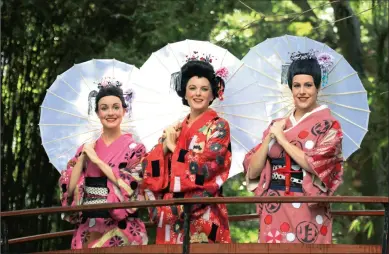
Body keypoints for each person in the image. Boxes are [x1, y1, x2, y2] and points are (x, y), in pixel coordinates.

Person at [243, 51, 343, 244]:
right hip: (275, 206)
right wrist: (270, 138)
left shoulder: (330, 126)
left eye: (308, 85)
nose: (302, 91)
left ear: (318, 87)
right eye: (296, 85)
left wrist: (282, 139)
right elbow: (253, 171)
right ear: (290, 88)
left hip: (308, 208)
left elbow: (315, 165)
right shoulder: (278, 124)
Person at [141, 58, 232, 244]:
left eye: (204, 89)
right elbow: (147, 170)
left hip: (204, 211)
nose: (198, 94)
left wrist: (174, 148)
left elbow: (210, 167)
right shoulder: (176, 129)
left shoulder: (219, 127)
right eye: (192, 88)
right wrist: (164, 147)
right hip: (171, 212)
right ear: (185, 92)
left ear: (212, 94)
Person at [59, 80, 148, 248]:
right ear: (98, 113)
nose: (110, 113)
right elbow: (69, 191)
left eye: (116, 107)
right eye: (104, 108)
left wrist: (97, 161)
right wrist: (83, 158)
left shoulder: (136, 149)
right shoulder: (87, 148)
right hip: (88, 229)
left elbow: (135, 189)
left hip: (122, 231)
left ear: (124, 110)